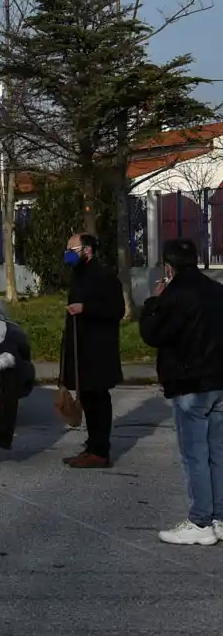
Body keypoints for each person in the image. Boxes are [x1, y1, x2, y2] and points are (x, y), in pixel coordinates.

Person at [138, 239, 223, 546]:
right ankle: (219, 518)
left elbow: (152, 334)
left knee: (195, 455)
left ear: (168, 266)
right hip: (218, 382)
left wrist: (153, 302)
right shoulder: (217, 290)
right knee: (217, 452)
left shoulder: (174, 294)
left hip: (189, 384)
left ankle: (200, 521)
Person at [59, 233, 126, 469]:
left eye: (72, 249)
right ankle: (93, 445)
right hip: (81, 350)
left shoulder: (104, 276)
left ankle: (100, 451)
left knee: (98, 399)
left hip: (98, 350)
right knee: (88, 398)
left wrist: (85, 308)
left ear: (87, 250)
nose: (68, 253)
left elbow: (116, 309)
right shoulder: (79, 275)